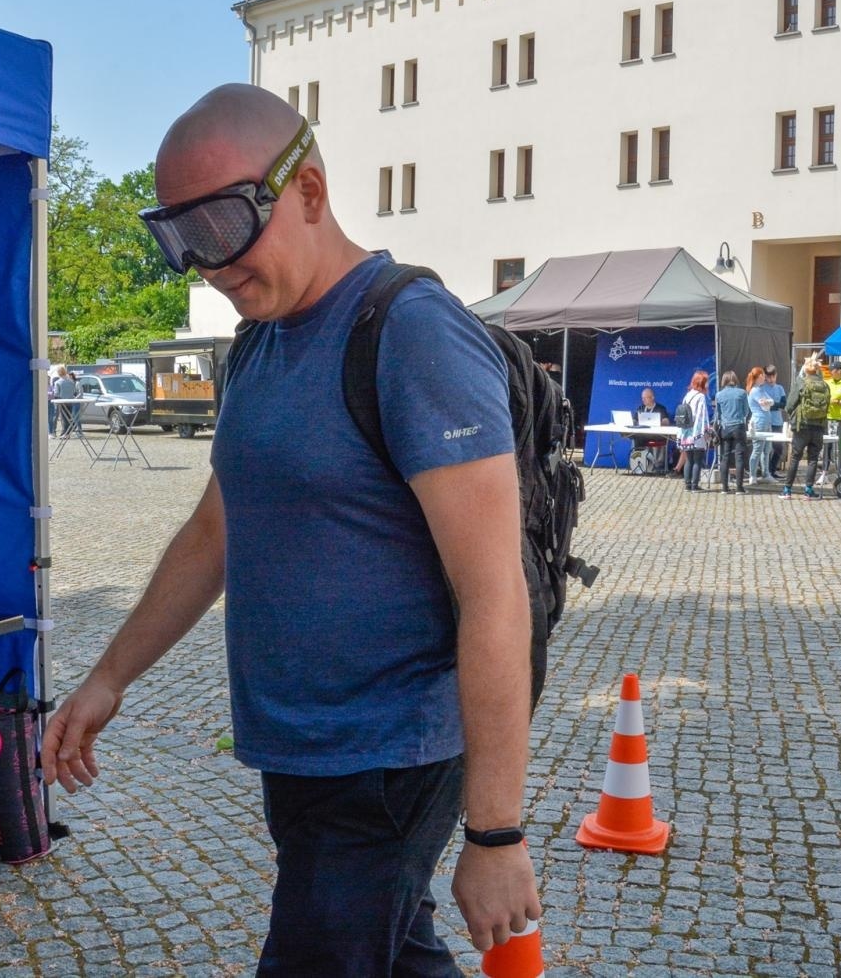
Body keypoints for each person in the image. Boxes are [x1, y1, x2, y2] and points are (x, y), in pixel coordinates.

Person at [41, 84, 539, 975]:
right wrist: (107, 678)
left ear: (307, 189)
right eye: (181, 239)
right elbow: (213, 531)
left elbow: (494, 594)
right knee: (396, 954)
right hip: (301, 752)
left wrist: (496, 832)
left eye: (226, 225)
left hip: (387, 760)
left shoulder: (412, 332)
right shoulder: (259, 345)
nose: (210, 263)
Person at [780, 356, 830, 500]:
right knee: (813, 459)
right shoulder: (824, 385)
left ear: (805, 369)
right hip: (819, 426)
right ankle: (808, 491)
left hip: (802, 426)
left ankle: (787, 490)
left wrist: (793, 415)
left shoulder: (801, 383)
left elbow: (789, 405)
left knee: (795, 457)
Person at [712, 370, 750, 493]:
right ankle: (739, 488)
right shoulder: (742, 393)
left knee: (725, 457)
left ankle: (724, 488)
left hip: (725, 428)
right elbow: (746, 412)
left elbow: (718, 414)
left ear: (724, 381)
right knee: (739, 457)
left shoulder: (719, 395)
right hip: (738, 427)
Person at [678, 370, 710, 491]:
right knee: (697, 460)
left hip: (686, 432)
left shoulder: (687, 395)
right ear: (701, 383)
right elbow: (702, 416)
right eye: (706, 382)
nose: (707, 385)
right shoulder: (701, 397)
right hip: (696, 432)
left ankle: (687, 485)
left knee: (689, 459)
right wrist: (706, 431)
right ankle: (695, 485)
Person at [633, 387, 673, 475]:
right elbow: (634, 421)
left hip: (657, 435)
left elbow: (666, 421)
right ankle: (639, 463)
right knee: (636, 437)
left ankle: (658, 464)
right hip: (643, 435)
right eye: (642, 398)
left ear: (652, 397)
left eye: (645, 398)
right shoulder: (640, 408)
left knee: (640, 437)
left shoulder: (660, 408)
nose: (643, 400)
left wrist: (658, 422)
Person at [744, 367, 771, 483]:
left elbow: (770, 401)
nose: (765, 377)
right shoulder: (754, 391)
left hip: (767, 421)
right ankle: (752, 475)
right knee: (757, 450)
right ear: (758, 376)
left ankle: (766, 474)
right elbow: (763, 404)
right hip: (759, 422)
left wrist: (768, 402)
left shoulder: (761, 389)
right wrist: (767, 402)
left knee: (767, 449)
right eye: (763, 375)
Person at [760, 365, 787, 478]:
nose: (771, 380)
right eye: (768, 377)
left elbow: (783, 404)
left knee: (778, 448)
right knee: (764, 449)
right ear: (765, 377)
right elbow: (761, 405)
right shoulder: (762, 388)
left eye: (773, 377)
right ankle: (764, 471)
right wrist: (774, 405)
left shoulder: (780, 388)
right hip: (765, 421)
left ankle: (771, 470)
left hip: (777, 422)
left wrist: (771, 404)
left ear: (776, 376)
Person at [50, 365, 80, 437]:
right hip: (70, 401)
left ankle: (64, 433)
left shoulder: (58, 382)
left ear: (58, 373)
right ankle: (67, 432)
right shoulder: (72, 382)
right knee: (69, 416)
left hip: (61, 401)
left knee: (63, 418)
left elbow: (56, 393)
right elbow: (74, 392)